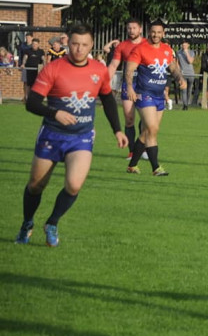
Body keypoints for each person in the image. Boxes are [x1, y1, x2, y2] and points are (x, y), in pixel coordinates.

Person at [14, 24, 128, 247]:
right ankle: (27, 223)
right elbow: (32, 103)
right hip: (52, 134)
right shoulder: (53, 68)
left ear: (91, 45)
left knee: (74, 185)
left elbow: (107, 99)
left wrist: (117, 130)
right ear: (68, 43)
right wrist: (54, 113)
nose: (79, 49)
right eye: (75, 43)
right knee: (36, 185)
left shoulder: (99, 70)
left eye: (84, 44)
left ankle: (52, 223)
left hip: (81, 137)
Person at [125, 20, 186, 176]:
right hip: (145, 94)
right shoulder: (140, 49)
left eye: (159, 32)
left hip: (159, 96)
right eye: (153, 32)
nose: (156, 35)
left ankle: (132, 165)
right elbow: (129, 69)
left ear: (163, 33)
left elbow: (173, 67)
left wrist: (180, 78)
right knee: (152, 129)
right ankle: (156, 168)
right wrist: (130, 87)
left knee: (147, 132)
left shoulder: (166, 49)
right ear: (148, 32)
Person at [104, 18, 147, 160]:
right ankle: (132, 151)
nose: (131, 31)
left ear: (140, 29)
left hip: (145, 85)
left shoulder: (147, 44)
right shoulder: (122, 46)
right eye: (129, 28)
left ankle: (143, 149)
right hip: (128, 85)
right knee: (129, 119)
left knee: (145, 119)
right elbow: (113, 65)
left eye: (134, 28)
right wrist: (104, 82)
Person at [176, 39, 196, 110]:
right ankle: (185, 105)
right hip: (183, 74)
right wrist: (179, 72)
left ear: (188, 45)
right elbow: (177, 63)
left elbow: (190, 61)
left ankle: (187, 102)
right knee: (183, 89)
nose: (183, 45)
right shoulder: (178, 52)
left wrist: (186, 52)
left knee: (189, 89)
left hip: (191, 73)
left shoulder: (191, 52)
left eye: (185, 43)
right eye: (182, 43)